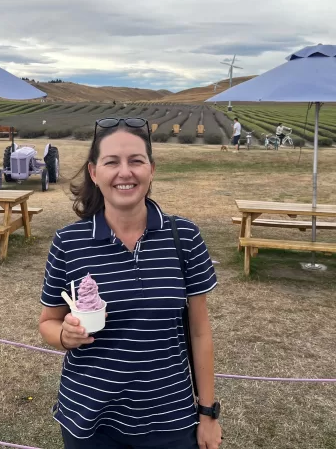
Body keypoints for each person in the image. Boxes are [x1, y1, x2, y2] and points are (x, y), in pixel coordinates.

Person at [39, 117, 222, 449]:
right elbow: (48, 322)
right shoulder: (68, 242)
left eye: (136, 161)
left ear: (151, 169)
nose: (125, 172)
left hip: (172, 420)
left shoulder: (185, 237)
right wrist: (64, 336)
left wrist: (208, 414)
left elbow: (200, 332)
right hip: (91, 421)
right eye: (112, 162)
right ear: (94, 173)